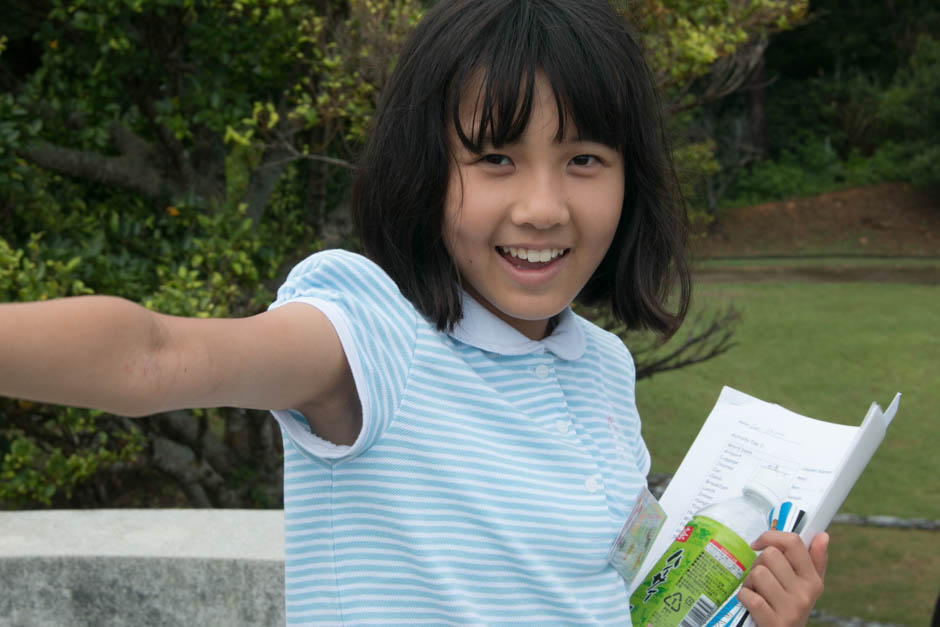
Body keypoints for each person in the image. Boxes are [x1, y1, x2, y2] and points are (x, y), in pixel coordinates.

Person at [0, 0, 828, 624]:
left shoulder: (602, 369)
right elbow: (150, 354)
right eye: (496, 158)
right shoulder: (374, 334)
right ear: (424, 169)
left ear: (629, 178)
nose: (543, 207)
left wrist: (751, 607)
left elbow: (602, 595)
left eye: (583, 159)